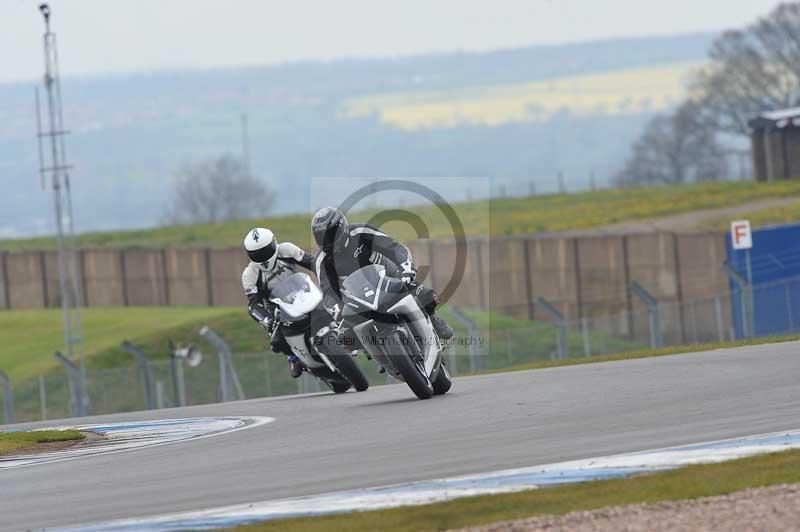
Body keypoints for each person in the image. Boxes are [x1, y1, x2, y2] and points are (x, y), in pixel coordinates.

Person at [310, 206, 453, 340]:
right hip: (357, 298)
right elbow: (328, 293)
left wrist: (406, 269)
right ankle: (382, 358)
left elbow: (393, 247)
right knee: (345, 338)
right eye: (321, 237)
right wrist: (338, 311)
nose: (326, 241)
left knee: (426, 295)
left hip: (389, 276)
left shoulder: (361, 231)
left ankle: (432, 317)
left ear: (341, 227)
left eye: (329, 235)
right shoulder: (321, 261)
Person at [242, 227, 315, 378]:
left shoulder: (287, 249)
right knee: (276, 340)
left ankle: (342, 335)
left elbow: (311, 262)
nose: (262, 256)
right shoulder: (249, 274)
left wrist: (327, 271)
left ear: (274, 243)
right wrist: (266, 320)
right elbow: (253, 305)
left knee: (330, 304)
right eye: (256, 254)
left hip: (302, 293)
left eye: (265, 250)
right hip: (276, 307)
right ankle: (293, 357)